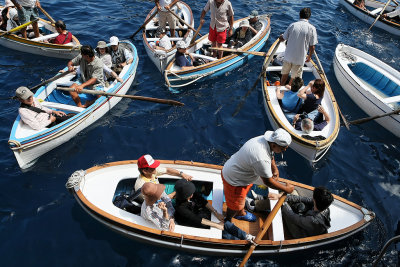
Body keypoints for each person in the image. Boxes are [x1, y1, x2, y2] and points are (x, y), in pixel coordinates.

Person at [222, 128, 295, 222]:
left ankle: (240, 210)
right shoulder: (262, 158)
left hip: (243, 173)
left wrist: (275, 169)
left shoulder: (266, 140)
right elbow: (268, 182)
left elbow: (271, 153)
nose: (284, 150)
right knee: (234, 206)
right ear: (273, 144)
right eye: (282, 148)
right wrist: (286, 189)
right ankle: (230, 218)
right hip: (235, 181)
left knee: (240, 199)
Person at [174, 179, 255, 242]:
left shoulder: (191, 193)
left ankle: (245, 236)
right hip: (193, 222)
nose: (192, 194)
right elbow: (196, 219)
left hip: (200, 214)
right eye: (190, 194)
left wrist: (216, 213)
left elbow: (202, 201)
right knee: (220, 232)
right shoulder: (181, 208)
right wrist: (217, 225)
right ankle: (239, 242)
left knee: (225, 223)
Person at [279, 7, 318, 86]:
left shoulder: (292, 25)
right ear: (309, 17)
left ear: (299, 15)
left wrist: (280, 37)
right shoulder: (312, 28)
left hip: (288, 56)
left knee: (284, 75)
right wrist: (309, 56)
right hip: (299, 59)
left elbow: (283, 39)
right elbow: (312, 46)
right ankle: (290, 88)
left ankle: (281, 87)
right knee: (294, 78)